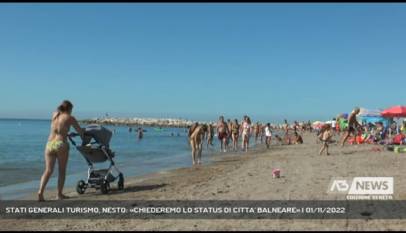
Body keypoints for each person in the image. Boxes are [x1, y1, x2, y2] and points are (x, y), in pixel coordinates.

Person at [38, 100, 84, 202]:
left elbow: (58, 129)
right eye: (71, 109)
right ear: (69, 109)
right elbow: (80, 131)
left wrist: (67, 133)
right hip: (61, 144)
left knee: (48, 170)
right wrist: (84, 134)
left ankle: (40, 192)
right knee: (62, 171)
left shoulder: (55, 114)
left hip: (49, 144)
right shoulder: (70, 118)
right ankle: (59, 194)